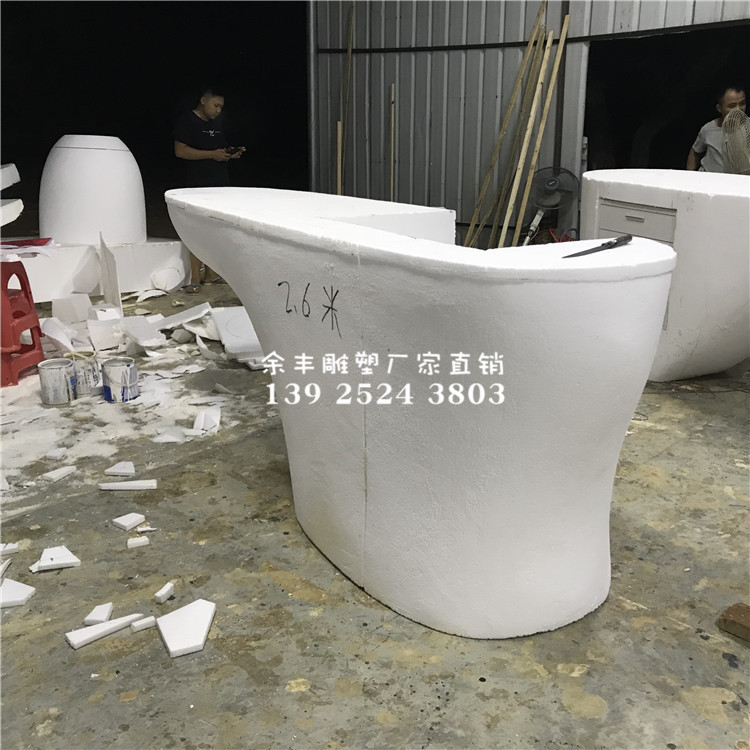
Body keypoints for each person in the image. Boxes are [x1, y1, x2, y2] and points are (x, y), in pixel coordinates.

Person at [174, 86, 246, 292]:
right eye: (216, 105)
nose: (218, 110)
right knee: (196, 230)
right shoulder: (187, 121)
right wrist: (211, 155)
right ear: (203, 100)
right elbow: (181, 151)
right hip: (197, 185)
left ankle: (212, 274)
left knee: (215, 229)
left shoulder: (218, 123)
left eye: (221, 107)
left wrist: (229, 154)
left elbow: (218, 149)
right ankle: (195, 278)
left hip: (220, 185)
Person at [686, 86, 746, 173]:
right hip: (708, 178)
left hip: (738, 180)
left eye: (742, 104)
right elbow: (695, 154)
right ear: (719, 108)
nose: (738, 110)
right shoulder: (708, 129)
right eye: (732, 106)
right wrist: (689, 176)